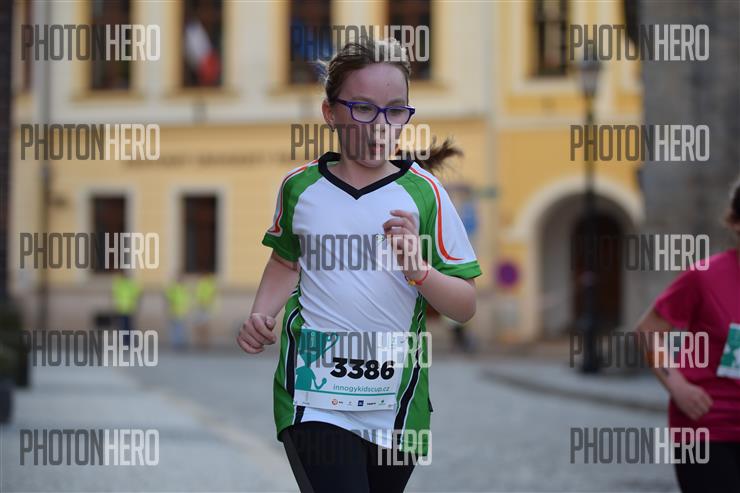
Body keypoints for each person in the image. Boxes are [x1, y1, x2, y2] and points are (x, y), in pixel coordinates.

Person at [237, 37, 481, 493]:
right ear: (330, 113)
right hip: (313, 397)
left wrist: (419, 269)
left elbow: (464, 306)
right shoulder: (299, 188)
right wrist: (261, 314)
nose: (380, 126)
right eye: (363, 108)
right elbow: (285, 261)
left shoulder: (426, 195)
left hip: (398, 404)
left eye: (395, 111)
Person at [636, 178, 740, 493]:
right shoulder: (706, 277)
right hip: (708, 427)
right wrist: (677, 385)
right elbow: (648, 331)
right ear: (735, 223)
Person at [111, 274, 140, 346]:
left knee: (123, 326)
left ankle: (126, 341)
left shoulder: (119, 284)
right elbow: (137, 294)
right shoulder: (130, 284)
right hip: (128, 308)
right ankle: (128, 341)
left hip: (123, 308)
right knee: (128, 326)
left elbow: (114, 294)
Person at [165, 276, 190, 350]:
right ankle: (176, 344)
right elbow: (168, 298)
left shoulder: (183, 289)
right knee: (176, 329)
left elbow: (186, 301)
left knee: (180, 329)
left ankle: (180, 343)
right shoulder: (174, 289)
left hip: (181, 312)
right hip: (174, 312)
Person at [193, 275, 217, 349]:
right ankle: (202, 342)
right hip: (201, 307)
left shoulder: (207, 285)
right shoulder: (204, 284)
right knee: (201, 326)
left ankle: (204, 343)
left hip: (205, 308)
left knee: (204, 326)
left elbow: (211, 296)